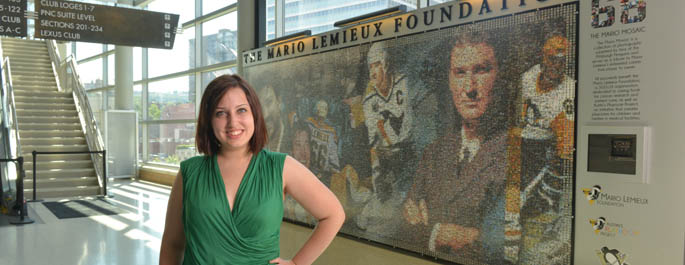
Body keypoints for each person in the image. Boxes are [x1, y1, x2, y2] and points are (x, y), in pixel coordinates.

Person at [160, 75, 345, 265]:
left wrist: (297, 263)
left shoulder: (280, 167)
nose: (233, 123)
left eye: (241, 110)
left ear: (254, 114)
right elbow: (172, 244)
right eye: (221, 113)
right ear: (209, 120)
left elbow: (334, 214)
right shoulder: (190, 172)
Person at [402, 32, 510, 263]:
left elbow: (506, 248)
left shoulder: (516, 152)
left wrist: (431, 229)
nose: (469, 88)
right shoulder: (434, 152)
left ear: (500, 76)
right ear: (449, 81)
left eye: (481, 70)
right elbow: (404, 227)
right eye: (460, 73)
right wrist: (440, 234)